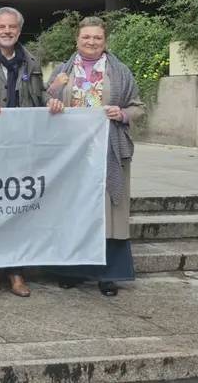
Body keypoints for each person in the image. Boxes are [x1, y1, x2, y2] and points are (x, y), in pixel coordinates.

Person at [0, 7, 64, 298]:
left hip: (21, 147)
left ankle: (15, 271)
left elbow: (39, 95)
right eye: (1, 27)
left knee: (18, 209)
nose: (7, 32)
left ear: (19, 31)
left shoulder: (31, 62)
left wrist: (51, 101)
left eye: (12, 27)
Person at [47, 16, 145, 297]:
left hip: (108, 149)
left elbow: (138, 107)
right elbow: (45, 100)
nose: (91, 42)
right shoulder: (62, 71)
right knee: (74, 207)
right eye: (86, 37)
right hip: (72, 152)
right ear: (77, 40)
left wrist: (122, 113)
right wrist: (53, 96)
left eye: (97, 38)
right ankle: (73, 271)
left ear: (105, 41)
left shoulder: (120, 72)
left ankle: (108, 274)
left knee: (108, 212)